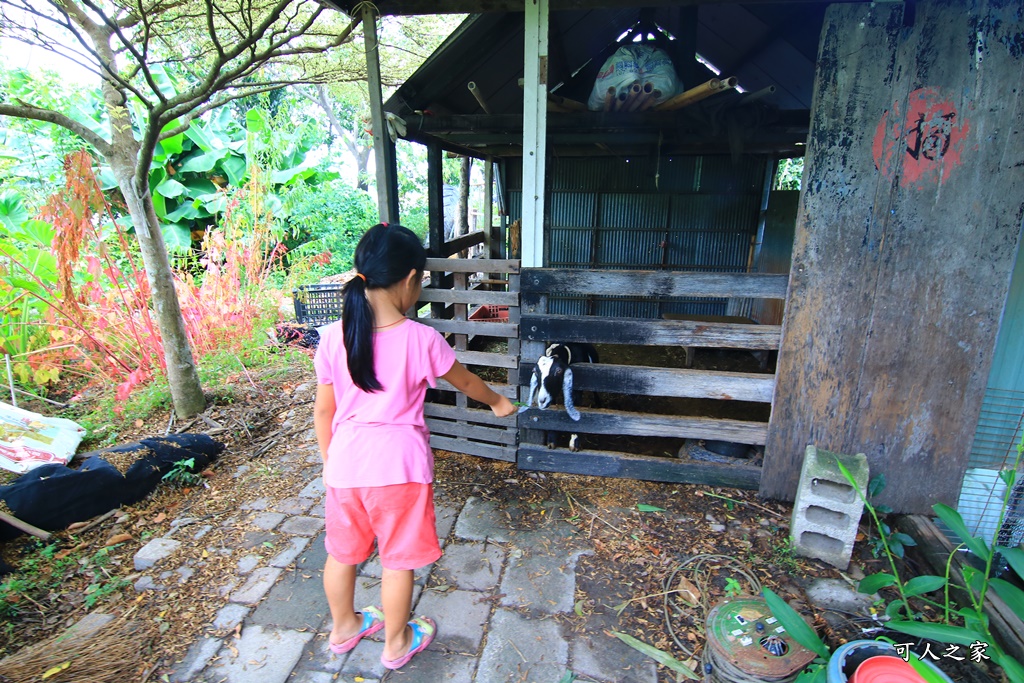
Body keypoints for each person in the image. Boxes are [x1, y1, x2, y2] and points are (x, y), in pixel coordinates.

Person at [313, 222, 516, 669]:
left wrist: (332, 464)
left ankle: (344, 628)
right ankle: (396, 642)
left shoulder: (331, 336)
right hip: (399, 470)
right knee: (397, 560)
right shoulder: (421, 339)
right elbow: (465, 382)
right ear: (410, 279)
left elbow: (324, 413)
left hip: (344, 467)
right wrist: (499, 402)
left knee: (342, 553)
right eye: (420, 281)